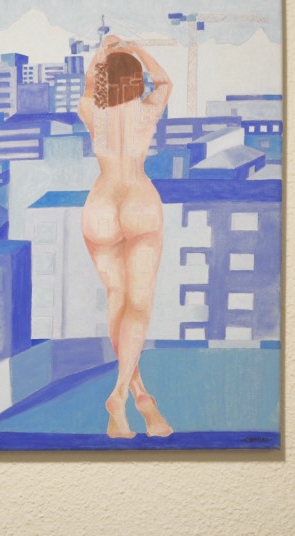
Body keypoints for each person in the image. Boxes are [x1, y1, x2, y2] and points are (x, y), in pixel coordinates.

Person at [77, 35, 173, 438]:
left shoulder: (91, 111)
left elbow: (88, 86)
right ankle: (123, 394)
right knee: (138, 304)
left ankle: (138, 396)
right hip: (138, 202)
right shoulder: (146, 111)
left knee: (117, 301)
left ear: (103, 78)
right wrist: (136, 49)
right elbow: (164, 81)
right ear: (135, 79)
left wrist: (101, 55)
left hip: (100, 206)